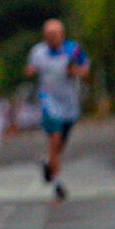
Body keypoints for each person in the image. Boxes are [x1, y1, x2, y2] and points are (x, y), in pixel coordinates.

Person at [25, 19, 90, 201]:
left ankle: (48, 162)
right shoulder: (38, 52)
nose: (51, 38)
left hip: (69, 101)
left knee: (60, 144)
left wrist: (74, 71)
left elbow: (85, 69)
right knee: (55, 139)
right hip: (48, 100)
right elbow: (30, 68)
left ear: (62, 34)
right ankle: (57, 183)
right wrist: (31, 70)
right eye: (47, 35)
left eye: (54, 35)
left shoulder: (73, 49)